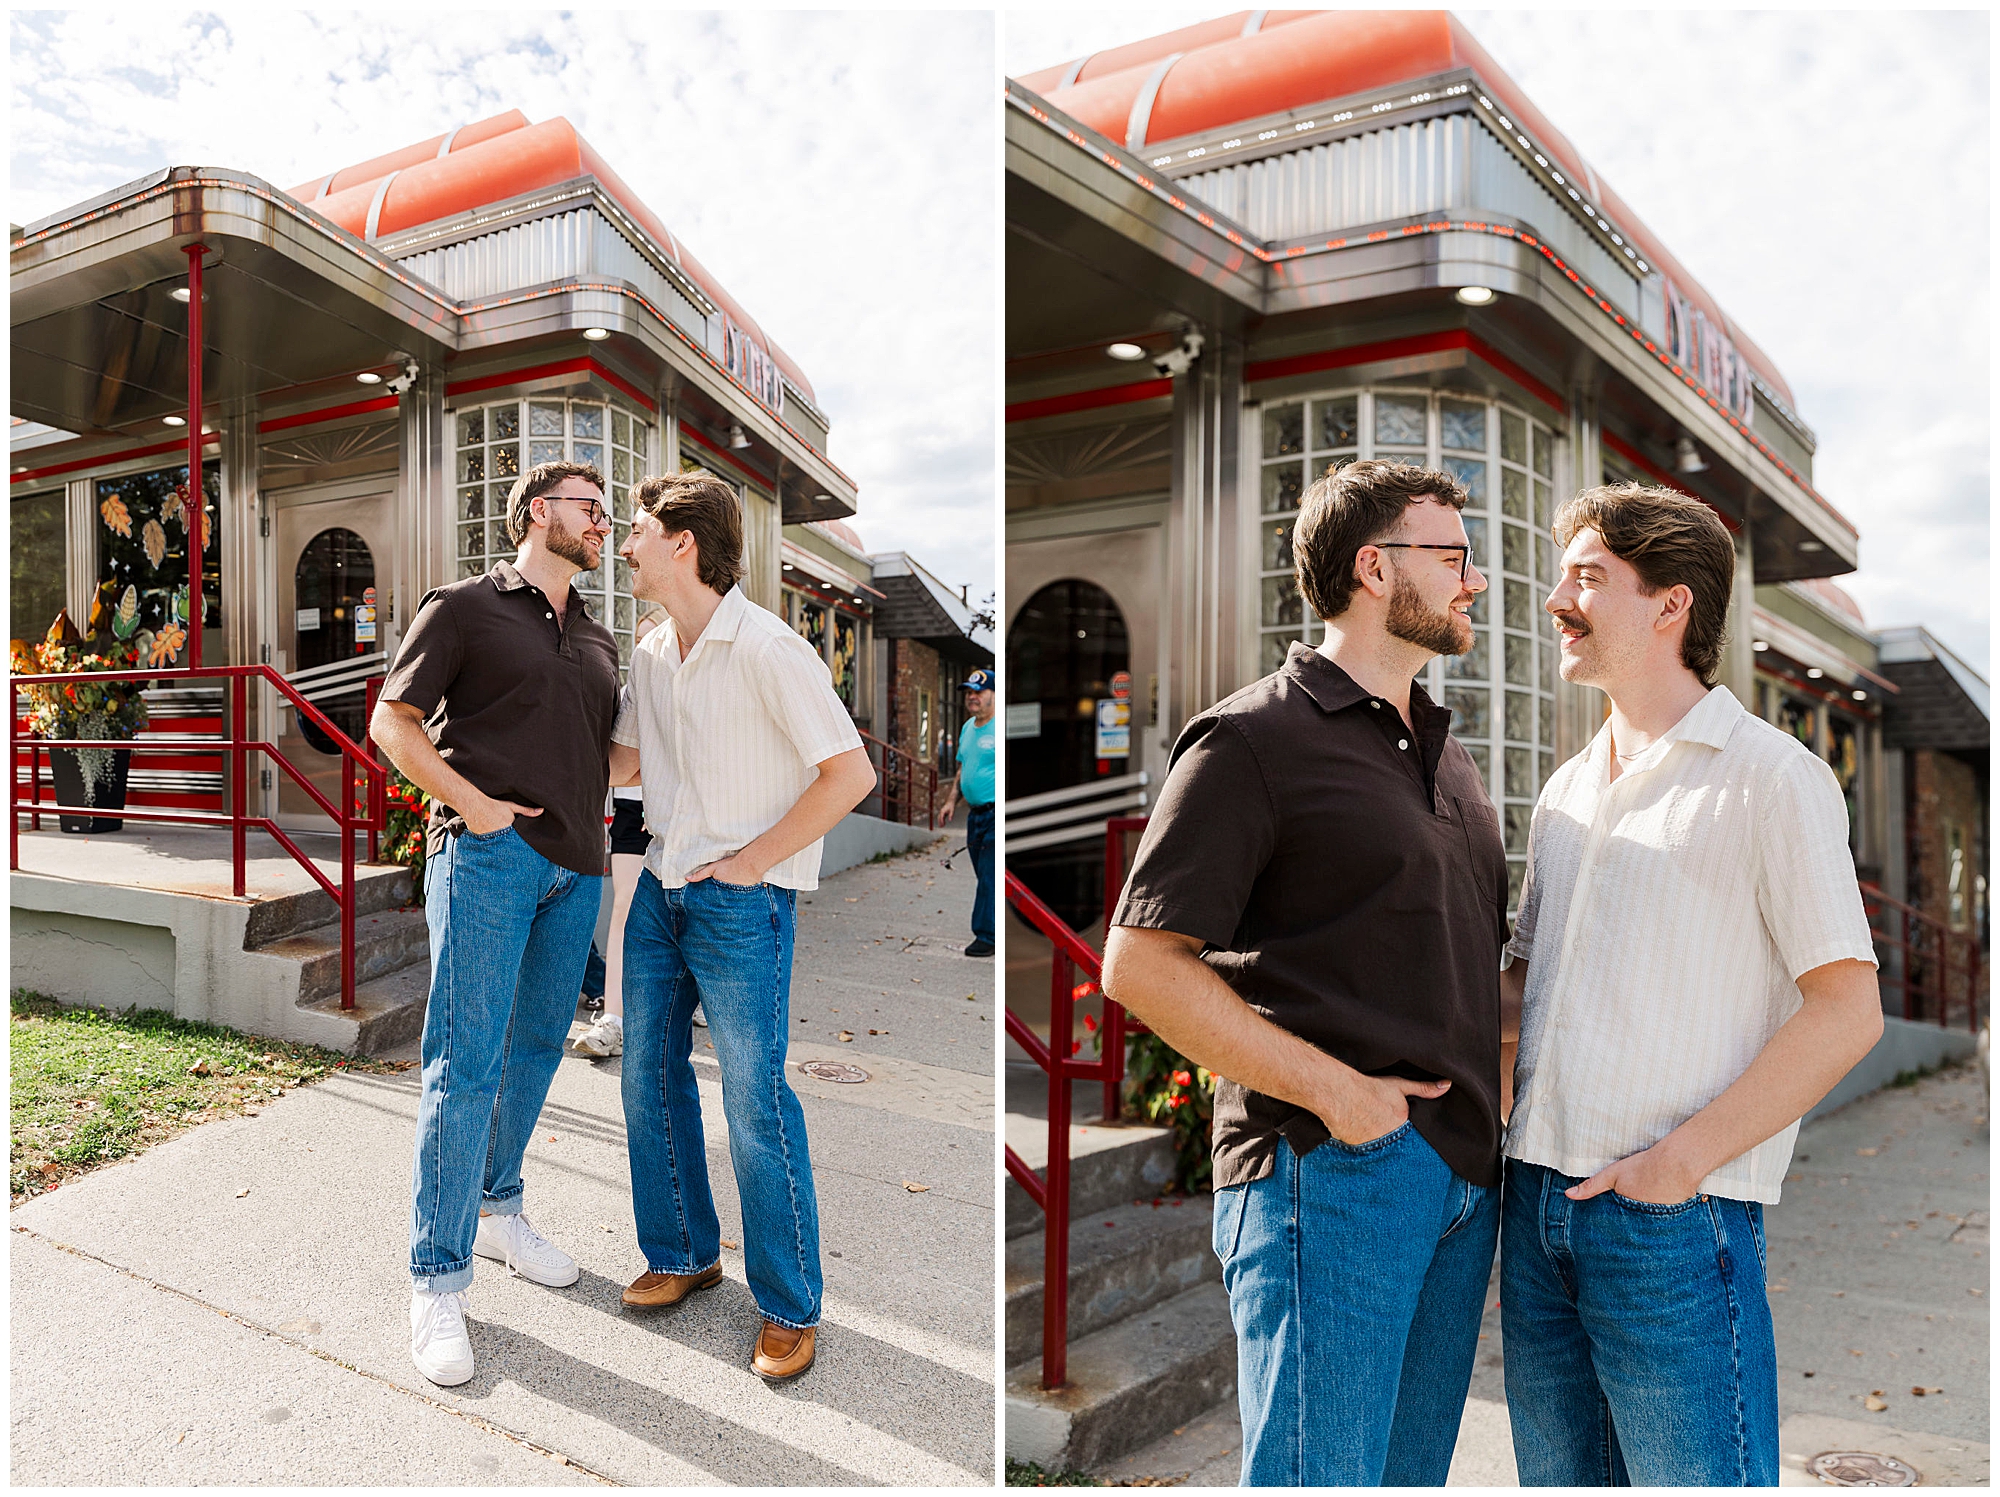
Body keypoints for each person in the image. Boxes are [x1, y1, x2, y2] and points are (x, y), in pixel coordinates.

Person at [1102, 459, 1507, 1485]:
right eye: (1452, 556)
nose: (1475, 581)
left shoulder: (1447, 756)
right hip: (1331, 1170)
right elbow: (1139, 966)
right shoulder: (1251, 739)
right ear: (1374, 568)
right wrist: (1348, 1103)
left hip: (1457, 1183)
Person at [1500, 483, 1883, 1486]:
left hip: (1668, 1220)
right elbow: (1523, 986)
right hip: (1534, 1207)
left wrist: (1676, 1165)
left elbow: (1846, 1010)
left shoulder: (1770, 778)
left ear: (1670, 604)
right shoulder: (1564, 788)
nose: (1555, 600)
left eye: (1585, 578)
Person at [607, 470, 876, 1381]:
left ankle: (790, 1304)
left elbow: (849, 774)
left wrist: (756, 861)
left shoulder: (769, 648)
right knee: (645, 1076)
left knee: (754, 1103)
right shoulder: (650, 651)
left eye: (638, 529)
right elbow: (626, 761)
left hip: (739, 901)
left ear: (682, 543)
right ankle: (683, 1251)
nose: (625, 543)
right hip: (661, 888)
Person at [371, 461, 621, 1388]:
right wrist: (471, 802)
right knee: (463, 1061)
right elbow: (392, 723)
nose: (600, 521)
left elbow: (613, 752)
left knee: (535, 1053)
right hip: (486, 861)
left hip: (574, 871)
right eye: (587, 507)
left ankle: (500, 1203)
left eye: (604, 512)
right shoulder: (466, 606)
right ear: (535, 512)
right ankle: (436, 1278)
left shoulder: (599, 639)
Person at [574, 606, 672, 1057]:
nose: (651, 652)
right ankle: (612, 1019)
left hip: (685, 819)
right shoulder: (629, 696)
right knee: (625, 913)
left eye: (660, 640)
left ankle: (679, 1005)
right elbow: (611, 766)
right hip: (635, 818)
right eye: (643, 644)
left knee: (689, 917)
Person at [938, 667, 996, 958]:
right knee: (984, 876)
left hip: (997, 814)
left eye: (979, 692)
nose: (973, 697)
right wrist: (951, 802)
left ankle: (986, 937)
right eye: (969, 693)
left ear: (994, 695)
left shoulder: (1000, 725)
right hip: (976, 816)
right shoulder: (967, 728)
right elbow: (962, 769)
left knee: (989, 875)